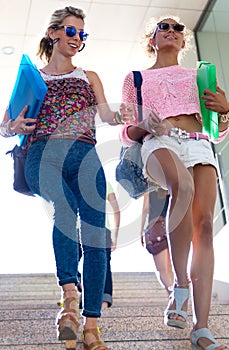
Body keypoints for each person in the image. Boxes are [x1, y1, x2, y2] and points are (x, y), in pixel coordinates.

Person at [0, 6, 126, 350]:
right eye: (71, 32)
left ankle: (91, 328)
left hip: (86, 157)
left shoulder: (90, 76)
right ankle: (69, 295)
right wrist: (13, 127)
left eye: (82, 35)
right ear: (54, 33)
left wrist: (122, 114)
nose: (77, 39)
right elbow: (4, 125)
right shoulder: (33, 76)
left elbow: (106, 115)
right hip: (44, 154)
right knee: (64, 211)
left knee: (98, 238)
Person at [119, 15, 229, 350]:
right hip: (159, 141)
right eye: (163, 28)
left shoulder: (200, 77)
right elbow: (126, 135)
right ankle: (180, 286)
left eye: (177, 29)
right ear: (151, 39)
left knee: (205, 226)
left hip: (198, 142)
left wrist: (225, 110)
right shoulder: (135, 78)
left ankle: (202, 328)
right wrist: (146, 124)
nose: (171, 31)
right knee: (182, 188)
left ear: (183, 42)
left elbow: (218, 131)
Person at [78, 181, 121, 311]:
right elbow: (116, 210)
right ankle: (104, 303)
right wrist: (115, 235)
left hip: (77, 227)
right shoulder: (104, 182)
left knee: (71, 259)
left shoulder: (74, 178)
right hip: (102, 228)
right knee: (104, 265)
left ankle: (78, 283)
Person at [141, 189, 174, 297]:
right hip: (173, 228)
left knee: (161, 270)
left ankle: (175, 297)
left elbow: (145, 209)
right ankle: (176, 296)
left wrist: (141, 231)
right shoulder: (170, 187)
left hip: (156, 228)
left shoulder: (149, 189)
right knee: (171, 269)